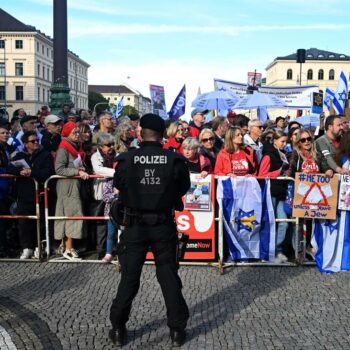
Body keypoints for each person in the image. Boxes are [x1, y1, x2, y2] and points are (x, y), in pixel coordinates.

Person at [109, 113, 190, 347]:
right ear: (163, 135)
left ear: (140, 132)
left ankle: (118, 328)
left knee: (129, 279)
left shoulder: (127, 159)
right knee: (168, 277)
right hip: (163, 224)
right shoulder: (174, 160)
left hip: (135, 226)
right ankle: (176, 330)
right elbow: (183, 187)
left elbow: (119, 185)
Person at [8, 131, 54, 259]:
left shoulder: (45, 155)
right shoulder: (18, 155)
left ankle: (39, 246)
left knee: (40, 222)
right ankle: (26, 248)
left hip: (41, 194)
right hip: (23, 195)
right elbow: (9, 168)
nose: (36, 143)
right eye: (32, 141)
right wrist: (20, 171)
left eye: (36, 141)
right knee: (23, 222)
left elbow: (48, 171)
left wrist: (31, 172)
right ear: (25, 144)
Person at [289, 129, 333, 261]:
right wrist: (302, 174)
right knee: (299, 222)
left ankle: (309, 247)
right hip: (301, 193)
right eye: (303, 140)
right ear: (298, 142)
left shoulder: (317, 154)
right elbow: (290, 172)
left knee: (312, 223)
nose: (307, 142)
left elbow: (325, 166)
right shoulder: (296, 155)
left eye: (309, 139)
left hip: (316, 194)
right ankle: (297, 251)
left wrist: (328, 170)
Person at [54, 122, 89, 260]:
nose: (77, 134)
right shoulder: (64, 147)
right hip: (67, 186)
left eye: (78, 132)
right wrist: (77, 172)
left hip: (73, 185)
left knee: (68, 214)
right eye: (74, 132)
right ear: (67, 133)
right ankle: (68, 249)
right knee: (71, 215)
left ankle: (65, 247)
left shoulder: (74, 146)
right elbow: (59, 169)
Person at [258, 129, 290, 263]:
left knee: (283, 223)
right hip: (271, 192)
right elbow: (261, 175)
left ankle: (277, 250)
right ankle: (267, 252)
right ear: (275, 141)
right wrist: (279, 172)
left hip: (281, 192)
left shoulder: (282, 154)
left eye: (285, 142)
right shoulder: (268, 156)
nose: (284, 144)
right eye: (282, 141)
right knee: (269, 223)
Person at [91, 133, 117, 260]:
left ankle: (114, 248)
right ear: (101, 146)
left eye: (112, 144)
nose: (111, 147)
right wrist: (116, 173)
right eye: (108, 145)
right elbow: (98, 170)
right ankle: (101, 249)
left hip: (115, 191)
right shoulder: (95, 156)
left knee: (115, 221)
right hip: (101, 192)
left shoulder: (116, 155)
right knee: (101, 221)